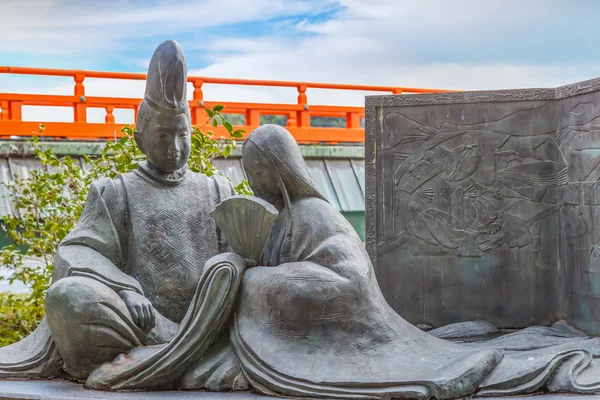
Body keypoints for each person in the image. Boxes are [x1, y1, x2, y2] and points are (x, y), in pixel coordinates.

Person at [232, 124, 600, 399]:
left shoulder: (313, 214)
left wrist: (258, 278)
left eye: (259, 170)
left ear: (283, 168)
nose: (252, 180)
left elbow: (349, 283)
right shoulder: (283, 219)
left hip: (352, 312)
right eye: (248, 172)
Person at [0, 40, 248, 391]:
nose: (175, 147)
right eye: (162, 135)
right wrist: (124, 289)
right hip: (138, 323)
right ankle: (171, 355)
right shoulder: (114, 191)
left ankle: (178, 353)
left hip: (205, 323)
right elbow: (77, 251)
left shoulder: (217, 189)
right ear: (139, 139)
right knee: (67, 297)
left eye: (182, 135)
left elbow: (242, 255)